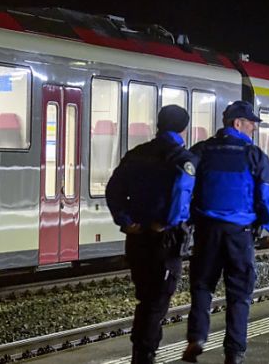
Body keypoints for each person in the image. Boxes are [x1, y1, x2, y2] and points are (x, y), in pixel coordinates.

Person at [183, 100, 269, 364]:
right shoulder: (254, 155)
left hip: (206, 232)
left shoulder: (202, 150)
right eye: (251, 123)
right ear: (237, 123)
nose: (253, 128)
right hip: (240, 234)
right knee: (239, 294)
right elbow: (266, 196)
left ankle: (197, 338)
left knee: (202, 285)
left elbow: (183, 183)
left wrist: (182, 219)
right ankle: (234, 352)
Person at [106, 105, 198, 364]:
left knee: (145, 298)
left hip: (136, 239)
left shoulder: (137, 154)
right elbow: (181, 195)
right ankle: (144, 355)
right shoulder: (183, 159)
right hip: (165, 241)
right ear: (184, 128)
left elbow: (113, 189)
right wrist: (165, 222)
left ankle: (142, 353)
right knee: (156, 302)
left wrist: (125, 220)